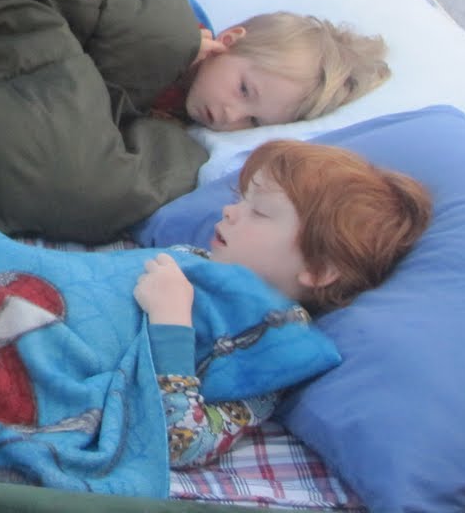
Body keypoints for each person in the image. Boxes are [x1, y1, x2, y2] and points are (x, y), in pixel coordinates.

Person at [136, 139, 431, 466]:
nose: (229, 211)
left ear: (318, 270)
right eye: (239, 199)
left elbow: (182, 442)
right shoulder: (193, 257)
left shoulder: (270, 355)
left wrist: (171, 322)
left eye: (259, 212)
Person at [166, 11, 389, 132]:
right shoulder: (169, 32)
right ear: (228, 41)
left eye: (254, 121)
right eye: (244, 90)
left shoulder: (182, 122)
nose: (232, 116)